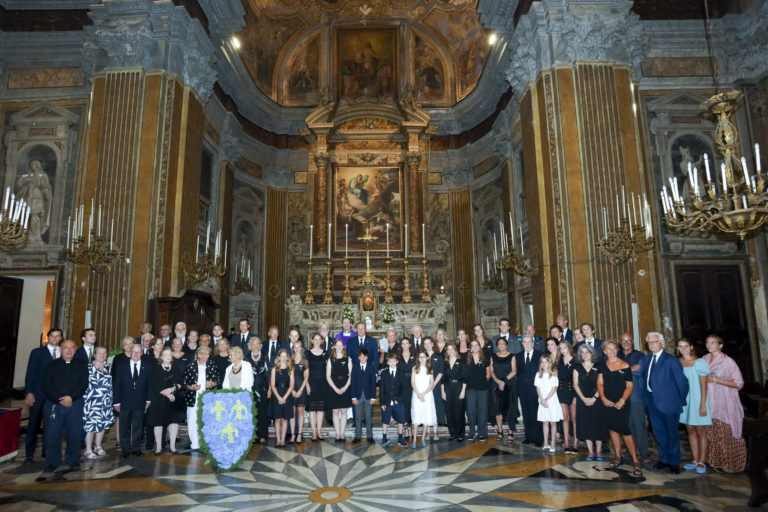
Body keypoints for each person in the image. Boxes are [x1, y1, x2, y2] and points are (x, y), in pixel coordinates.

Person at [641, 332, 689, 474]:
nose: (652, 344)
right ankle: (664, 458)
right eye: (649, 342)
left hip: (669, 403)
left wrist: (679, 400)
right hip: (651, 403)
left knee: (671, 434)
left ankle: (674, 461)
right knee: (658, 433)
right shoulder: (646, 360)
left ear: (662, 343)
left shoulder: (671, 360)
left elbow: (682, 383)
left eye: (655, 341)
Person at [41, 339, 88, 474]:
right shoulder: (51, 365)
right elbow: (46, 385)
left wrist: (71, 397)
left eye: (72, 347)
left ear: (75, 350)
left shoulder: (82, 365)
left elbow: (83, 384)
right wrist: (59, 399)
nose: (68, 350)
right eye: (66, 347)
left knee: (74, 433)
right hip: (54, 404)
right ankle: (52, 461)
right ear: (61, 350)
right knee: (52, 434)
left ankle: (73, 460)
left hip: (75, 404)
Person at [597, 341, 642, 476]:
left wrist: (622, 400)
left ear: (617, 350)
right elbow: (600, 383)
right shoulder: (602, 365)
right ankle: (618, 456)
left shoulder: (625, 365)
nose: (611, 351)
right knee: (612, 429)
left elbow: (629, 386)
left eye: (613, 348)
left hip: (622, 403)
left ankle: (635, 461)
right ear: (604, 351)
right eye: (608, 349)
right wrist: (603, 398)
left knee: (625, 432)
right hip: (607, 403)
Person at [703, 334, 746, 473]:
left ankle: (731, 465)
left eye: (713, 342)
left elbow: (739, 383)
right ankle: (715, 461)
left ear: (720, 345)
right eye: (707, 342)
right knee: (712, 433)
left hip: (725, 402)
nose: (709, 345)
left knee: (726, 433)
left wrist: (715, 380)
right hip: (709, 401)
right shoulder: (704, 359)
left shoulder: (728, 362)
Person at [23, 327, 62, 463]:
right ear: (48, 337)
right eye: (52, 336)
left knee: (50, 426)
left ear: (60, 338)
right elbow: (30, 374)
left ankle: (47, 452)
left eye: (58, 336)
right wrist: (29, 392)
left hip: (54, 396)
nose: (55, 338)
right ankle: (29, 454)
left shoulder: (63, 352)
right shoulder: (37, 352)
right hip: (38, 395)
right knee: (33, 425)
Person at [676, 337, 711, 474]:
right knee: (690, 429)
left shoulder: (699, 362)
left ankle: (702, 461)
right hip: (684, 401)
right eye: (680, 346)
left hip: (697, 399)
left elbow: (704, 385)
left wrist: (703, 405)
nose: (683, 348)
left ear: (691, 347)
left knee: (700, 430)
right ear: (678, 349)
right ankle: (695, 459)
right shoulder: (678, 363)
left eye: (686, 346)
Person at [113, 344, 152, 458]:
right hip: (124, 402)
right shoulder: (121, 367)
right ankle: (125, 449)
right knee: (124, 427)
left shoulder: (147, 367)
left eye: (138, 352)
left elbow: (150, 385)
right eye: (134, 352)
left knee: (138, 426)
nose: (135, 354)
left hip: (140, 401)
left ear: (142, 353)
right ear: (130, 353)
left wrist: (148, 399)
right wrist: (116, 402)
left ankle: (136, 448)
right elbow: (116, 385)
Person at [617, 332, 650, 463]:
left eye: (629, 340)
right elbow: (612, 372)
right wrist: (631, 369)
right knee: (627, 426)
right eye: (623, 341)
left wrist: (621, 371)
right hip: (620, 396)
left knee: (638, 425)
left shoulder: (640, 355)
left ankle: (644, 452)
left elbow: (640, 371)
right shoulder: (617, 355)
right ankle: (631, 450)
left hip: (636, 395)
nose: (626, 343)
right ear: (620, 342)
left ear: (632, 342)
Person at [145, 347, 184, 454]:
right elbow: (155, 385)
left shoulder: (176, 367)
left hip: (173, 399)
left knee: (173, 422)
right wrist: (168, 394)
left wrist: (172, 390)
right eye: (165, 355)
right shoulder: (155, 368)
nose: (168, 357)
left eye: (169, 355)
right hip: (159, 399)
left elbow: (181, 383)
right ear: (161, 357)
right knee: (158, 423)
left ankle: (172, 447)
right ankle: (158, 448)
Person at [183, 346, 222, 452]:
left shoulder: (212, 365)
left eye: (208, 354)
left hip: (207, 396)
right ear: (199, 355)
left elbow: (218, 380)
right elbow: (184, 381)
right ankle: (195, 443)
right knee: (192, 419)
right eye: (205, 354)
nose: (207, 356)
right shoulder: (191, 365)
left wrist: (212, 383)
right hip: (193, 397)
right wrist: (191, 387)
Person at [573, 343, 607, 461]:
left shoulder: (599, 366)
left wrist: (594, 398)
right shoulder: (577, 367)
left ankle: (599, 451)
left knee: (598, 425)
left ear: (592, 353)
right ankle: (591, 451)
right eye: (582, 352)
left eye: (587, 352)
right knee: (585, 425)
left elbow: (602, 384)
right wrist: (583, 399)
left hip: (597, 400)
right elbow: (575, 385)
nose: (585, 354)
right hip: (582, 400)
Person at [82, 346, 113, 460]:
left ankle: (98, 446)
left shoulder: (107, 366)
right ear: (94, 355)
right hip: (92, 402)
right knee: (91, 426)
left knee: (103, 424)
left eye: (104, 353)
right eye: (100, 353)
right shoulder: (88, 367)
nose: (102, 355)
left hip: (106, 401)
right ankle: (88, 450)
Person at [516, 335, 543, 446]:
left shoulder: (540, 355)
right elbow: (517, 373)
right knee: (526, 413)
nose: (527, 344)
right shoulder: (518, 356)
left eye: (529, 342)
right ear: (522, 344)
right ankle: (529, 437)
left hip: (536, 389)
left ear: (533, 343)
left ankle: (538, 439)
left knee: (536, 413)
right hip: (523, 389)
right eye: (525, 342)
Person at [110, 336, 136, 453]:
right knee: (120, 417)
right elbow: (114, 376)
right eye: (126, 344)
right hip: (121, 392)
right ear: (123, 346)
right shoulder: (118, 358)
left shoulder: (137, 356)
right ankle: (119, 441)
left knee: (133, 416)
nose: (129, 346)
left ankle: (131, 440)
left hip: (135, 392)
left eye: (131, 344)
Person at [490, 337, 516, 442]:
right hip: (496, 385)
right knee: (498, 409)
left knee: (510, 409)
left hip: (509, 385)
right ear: (497, 346)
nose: (501, 345)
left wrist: (504, 382)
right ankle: (500, 431)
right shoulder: (493, 356)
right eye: (499, 344)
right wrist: (498, 381)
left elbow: (514, 371)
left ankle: (510, 432)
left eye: (503, 344)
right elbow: (491, 371)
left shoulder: (512, 356)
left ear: (507, 345)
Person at [244, 338, 270, 444]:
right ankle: (253, 435)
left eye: (257, 344)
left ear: (260, 345)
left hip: (263, 388)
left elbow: (268, 374)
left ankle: (263, 435)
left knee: (263, 412)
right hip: (251, 388)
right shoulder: (246, 358)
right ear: (250, 345)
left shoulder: (265, 356)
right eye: (253, 344)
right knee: (252, 412)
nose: (255, 346)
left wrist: (270, 389)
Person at [535, 355, 563, 453]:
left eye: (546, 362)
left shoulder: (553, 374)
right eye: (542, 362)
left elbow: (554, 388)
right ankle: (546, 443)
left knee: (552, 422)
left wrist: (546, 399)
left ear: (549, 363)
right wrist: (542, 400)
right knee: (545, 422)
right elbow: (538, 388)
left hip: (551, 400)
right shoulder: (538, 374)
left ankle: (553, 444)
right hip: (542, 400)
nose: (544, 364)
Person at [326, 339, 352, 442]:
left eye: (341, 345)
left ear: (343, 346)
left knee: (344, 411)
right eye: (337, 345)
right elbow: (328, 376)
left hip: (345, 386)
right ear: (334, 347)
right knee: (335, 411)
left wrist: (345, 387)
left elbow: (351, 375)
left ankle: (342, 433)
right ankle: (337, 434)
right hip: (333, 387)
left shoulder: (348, 358)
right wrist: (335, 388)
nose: (339, 347)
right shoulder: (330, 359)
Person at [380, 352, 408, 447]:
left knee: (400, 420)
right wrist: (382, 403)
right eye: (390, 361)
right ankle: (384, 438)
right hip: (387, 401)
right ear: (387, 362)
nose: (392, 363)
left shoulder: (401, 373)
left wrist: (399, 399)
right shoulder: (384, 373)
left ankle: (400, 438)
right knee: (385, 420)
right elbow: (382, 389)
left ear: (397, 361)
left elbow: (404, 389)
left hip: (398, 401)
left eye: (393, 361)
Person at [465, 339, 490, 441]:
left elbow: (488, 374)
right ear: (470, 348)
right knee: (470, 411)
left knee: (482, 411)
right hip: (470, 389)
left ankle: (482, 432)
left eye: (476, 345)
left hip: (482, 389)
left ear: (479, 347)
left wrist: (483, 382)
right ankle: (471, 432)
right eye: (472, 345)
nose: (474, 347)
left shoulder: (485, 359)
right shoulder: (466, 359)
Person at [411, 351, 437, 448]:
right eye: (420, 357)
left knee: (426, 416)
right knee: (416, 416)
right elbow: (412, 383)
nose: (422, 359)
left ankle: (423, 438)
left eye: (423, 357)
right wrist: (418, 393)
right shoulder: (414, 368)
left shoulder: (430, 369)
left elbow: (432, 384)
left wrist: (423, 394)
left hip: (427, 395)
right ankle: (414, 439)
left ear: (427, 358)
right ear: (418, 358)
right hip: (416, 394)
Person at [441, 343, 467, 442]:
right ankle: (453, 433)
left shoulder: (461, 362)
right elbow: (442, 378)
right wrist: (443, 391)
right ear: (446, 351)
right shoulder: (445, 363)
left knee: (459, 411)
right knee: (449, 411)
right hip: (447, 387)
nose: (450, 351)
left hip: (458, 387)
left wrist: (463, 391)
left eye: (452, 349)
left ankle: (460, 434)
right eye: (448, 349)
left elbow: (465, 377)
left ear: (455, 350)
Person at [270, 349, 295, 447]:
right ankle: (278, 439)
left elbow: (292, 385)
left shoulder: (290, 369)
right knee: (277, 419)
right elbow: (272, 385)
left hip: (287, 395)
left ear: (287, 357)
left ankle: (283, 440)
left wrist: (284, 397)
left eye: (285, 356)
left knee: (285, 419)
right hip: (276, 395)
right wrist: (279, 398)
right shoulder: (274, 369)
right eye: (282, 356)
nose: (283, 358)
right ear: (279, 358)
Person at [556, 341, 578, 453]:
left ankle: (575, 444)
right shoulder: (559, 361)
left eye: (564, 347)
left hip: (573, 389)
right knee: (565, 417)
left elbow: (577, 380)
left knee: (574, 418)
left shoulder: (576, 361)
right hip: (561, 390)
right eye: (561, 348)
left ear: (569, 348)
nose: (563, 350)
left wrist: (576, 395)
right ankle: (567, 443)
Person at [351, 348, 377, 443]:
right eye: (361, 356)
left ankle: (369, 436)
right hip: (357, 396)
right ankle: (358, 436)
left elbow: (373, 383)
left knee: (368, 417)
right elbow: (353, 383)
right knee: (358, 417)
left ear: (367, 357)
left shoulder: (371, 367)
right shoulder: (355, 367)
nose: (363, 358)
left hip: (368, 396)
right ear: (358, 357)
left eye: (365, 356)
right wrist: (353, 397)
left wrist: (373, 397)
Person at [306, 334, 328, 441]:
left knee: (320, 409)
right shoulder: (307, 354)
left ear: (322, 341)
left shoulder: (325, 353)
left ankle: (319, 431)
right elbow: (305, 371)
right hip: (311, 384)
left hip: (323, 384)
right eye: (315, 339)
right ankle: (313, 433)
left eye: (319, 340)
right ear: (312, 340)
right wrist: (307, 384)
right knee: (312, 410)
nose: (317, 341)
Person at [423, 337, 444, 439]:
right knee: (427, 408)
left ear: (432, 344)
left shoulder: (438, 356)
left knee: (435, 407)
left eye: (429, 343)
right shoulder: (422, 356)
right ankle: (428, 432)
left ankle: (435, 431)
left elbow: (441, 371)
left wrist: (433, 384)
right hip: (424, 386)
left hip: (436, 385)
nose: (427, 345)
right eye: (425, 344)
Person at [290, 342, 309, 444]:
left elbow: (306, 377)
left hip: (301, 389)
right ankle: (293, 434)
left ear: (302, 348)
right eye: (295, 347)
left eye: (299, 347)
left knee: (301, 412)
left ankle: (300, 434)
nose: (297, 349)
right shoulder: (290, 360)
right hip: (291, 389)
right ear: (293, 348)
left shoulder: (305, 361)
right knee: (292, 412)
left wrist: (301, 390)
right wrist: (292, 390)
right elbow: (287, 376)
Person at [399, 337, 416, 430]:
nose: (405, 345)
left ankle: (412, 422)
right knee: (403, 403)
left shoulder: (415, 355)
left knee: (412, 402)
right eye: (403, 343)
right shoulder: (398, 356)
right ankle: (405, 423)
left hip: (412, 382)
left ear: (410, 345)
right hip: (401, 383)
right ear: (401, 345)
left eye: (406, 343)